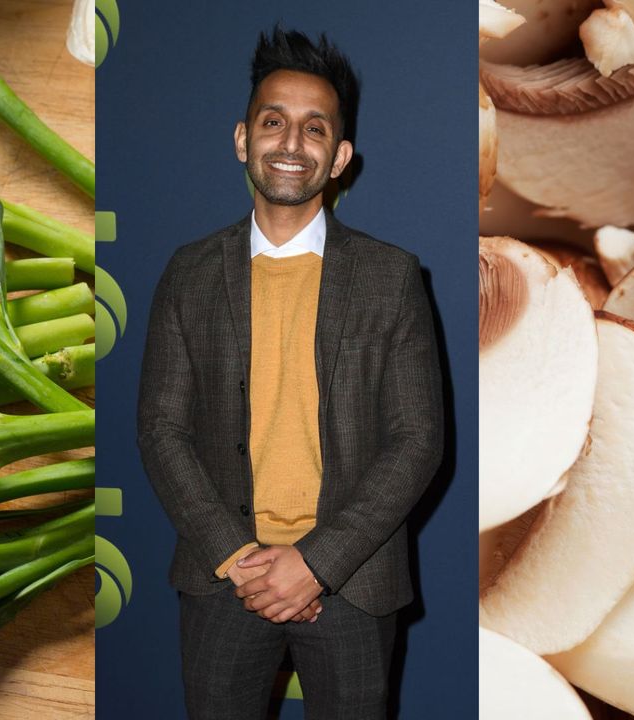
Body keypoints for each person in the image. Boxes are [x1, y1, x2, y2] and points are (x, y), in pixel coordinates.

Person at [137, 25, 443, 720]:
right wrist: (237, 557)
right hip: (224, 580)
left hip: (352, 580)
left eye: (313, 129)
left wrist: (316, 563)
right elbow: (160, 430)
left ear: (339, 158)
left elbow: (417, 439)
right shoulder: (189, 273)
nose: (290, 144)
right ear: (243, 139)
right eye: (273, 122)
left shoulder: (390, 276)